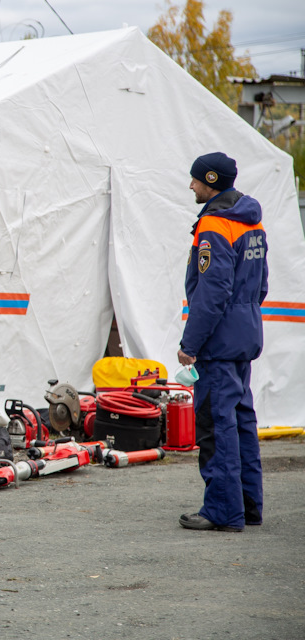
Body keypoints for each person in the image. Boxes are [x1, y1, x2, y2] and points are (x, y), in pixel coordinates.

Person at [177, 152, 268, 533]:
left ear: (211, 181)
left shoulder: (214, 223)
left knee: (217, 425)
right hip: (244, 334)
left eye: (196, 179)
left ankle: (222, 510)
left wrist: (190, 344)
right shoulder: (252, 219)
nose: (192, 185)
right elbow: (261, 284)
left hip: (217, 341)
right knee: (242, 421)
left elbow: (211, 293)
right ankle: (248, 505)